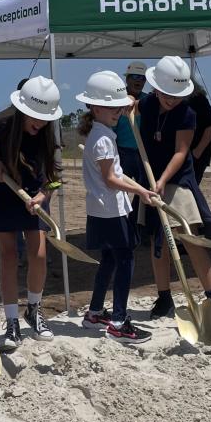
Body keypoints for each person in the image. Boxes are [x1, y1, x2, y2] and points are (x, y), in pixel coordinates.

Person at [136, 56, 211, 323]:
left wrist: (163, 180)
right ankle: (164, 298)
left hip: (177, 180)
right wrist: (130, 108)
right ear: (156, 88)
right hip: (151, 179)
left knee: (189, 236)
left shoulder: (187, 113)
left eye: (176, 95)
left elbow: (181, 152)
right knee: (158, 240)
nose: (170, 99)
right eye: (166, 94)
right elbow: (134, 108)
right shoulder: (148, 103)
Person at [0, 76, 63, 352]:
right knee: (9, 255)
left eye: (44, 119)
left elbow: (55, 175)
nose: (39, 124)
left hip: (35, 194)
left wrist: (43, 195)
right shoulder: (3, 124)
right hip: (5, 192)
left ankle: (34, 310)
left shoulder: (50, 133)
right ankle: (12, 320)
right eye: (34, 118)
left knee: (38, 254)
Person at [76, 71, 159, 343]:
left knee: (110, 259)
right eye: (113, 107)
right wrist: (140, 190)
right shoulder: (102, 139)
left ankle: (95, 313)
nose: (118, 111)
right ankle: (119, 322)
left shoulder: (103, 133)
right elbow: (111, 179)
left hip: (105, 209)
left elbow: (114, 174)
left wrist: (141, 190)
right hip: (110, 210)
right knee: (125, 260)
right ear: (95, 107)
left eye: (120, 106)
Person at [114, 61, 148, 237]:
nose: (139, 80)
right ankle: (120, 228)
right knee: (120, 193)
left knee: (143, 192)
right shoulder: (117, 100)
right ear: (127, 79)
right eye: (135, 77)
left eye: (142, 78)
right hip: (122, 153)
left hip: (143, 154)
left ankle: (136, 227)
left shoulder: (148, 100)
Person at [187, 80, 211, 185]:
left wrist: (196, 153)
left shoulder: (198, 99)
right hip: (178, 153)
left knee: (189, 189)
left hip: (196, 155)